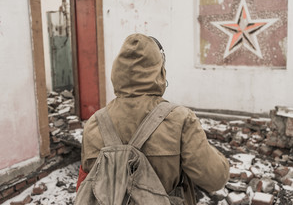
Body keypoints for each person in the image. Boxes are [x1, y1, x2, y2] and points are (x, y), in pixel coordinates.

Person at [77, 33, 229, 204]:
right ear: (160, 71)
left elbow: (84, 186)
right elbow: (215, 178)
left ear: (117, 72)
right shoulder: (181, 120)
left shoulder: (94, 123)